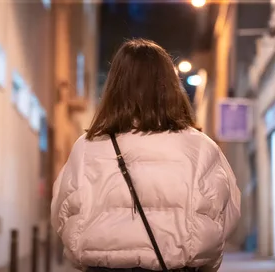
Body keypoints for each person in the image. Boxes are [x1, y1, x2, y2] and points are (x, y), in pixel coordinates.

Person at [51, 39, 241, 272]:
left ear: (114, 87)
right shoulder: (200, 147)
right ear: (170, 85)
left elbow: (62, 214)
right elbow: (227, 215)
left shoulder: (87, 147)